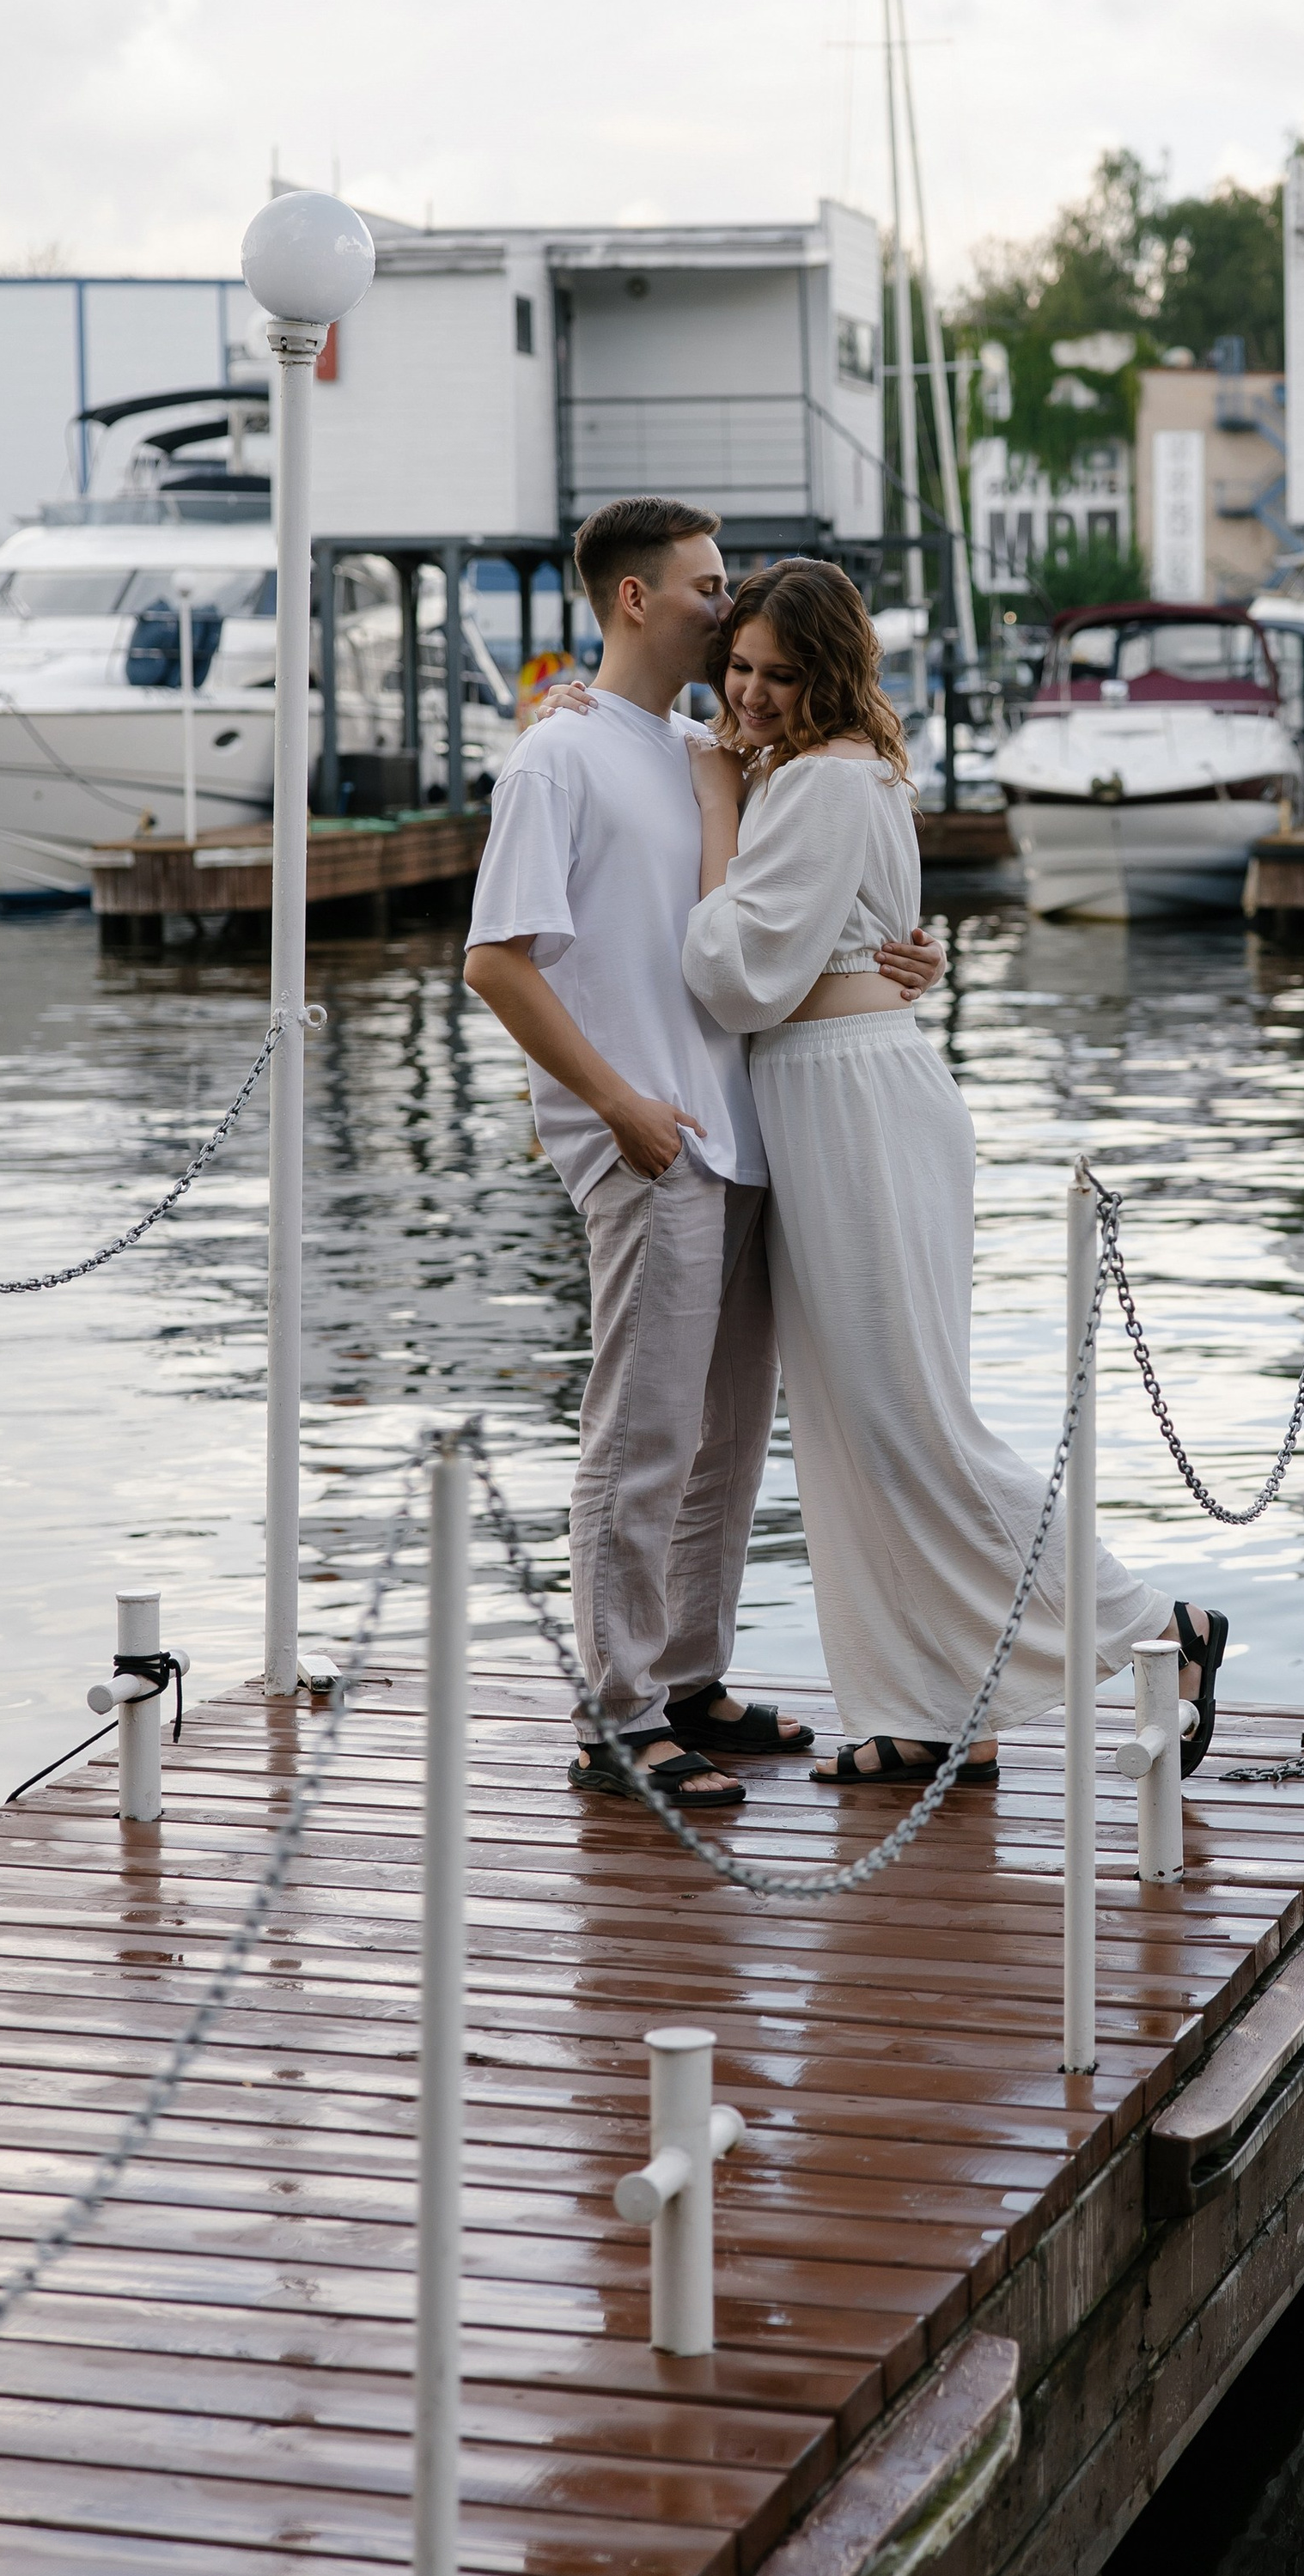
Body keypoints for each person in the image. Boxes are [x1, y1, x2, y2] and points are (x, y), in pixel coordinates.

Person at [672, 558, 1229, 1787]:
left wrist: (716, 806)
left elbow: (730, 969)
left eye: (779, 673)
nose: (752, 693)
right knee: (852, 1428)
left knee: (906, 1420)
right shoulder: (819, 772)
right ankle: (927, 1708)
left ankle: (1157, 1629)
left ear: (827, 673)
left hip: (848, 1097)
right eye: (741, 669)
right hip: (839, 1087)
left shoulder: (815, 784)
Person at [462, 498, 941, 1812]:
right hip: (650, 1134)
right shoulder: (558, 759)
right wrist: (615, 1104)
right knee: (646, 1430)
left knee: (727, 1435)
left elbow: (797, 904)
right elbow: (495, 961)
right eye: (707, 587)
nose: (728, 611)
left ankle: (686, 1679)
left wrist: (901, 959)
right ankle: (615, 1717)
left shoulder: (699, 748)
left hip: (743, 1129)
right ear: (633, 599)